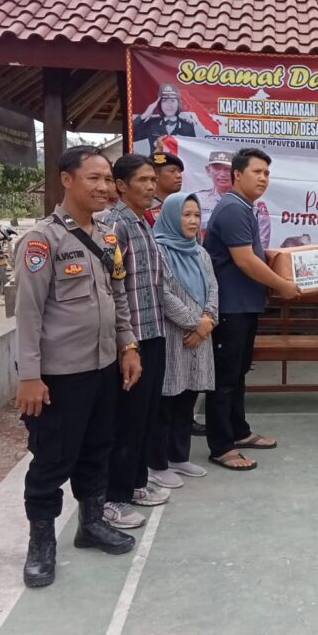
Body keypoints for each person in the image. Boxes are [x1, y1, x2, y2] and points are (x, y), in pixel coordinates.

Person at [14, 145, 141, 588]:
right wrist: (29, 376)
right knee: (51, 460)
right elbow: (28, 313)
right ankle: (41, 545)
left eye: (107, 179)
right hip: (60, 377)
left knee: (97, 450)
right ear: (67, 180)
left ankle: (91, 524)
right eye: (94, 178)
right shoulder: (41, 241)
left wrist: (128, 346)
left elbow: (118, 297)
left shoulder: (108, 237)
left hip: (104, 367)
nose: (104, 187)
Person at [202, 148, 299, 470]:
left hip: (243, 306)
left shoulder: (244, 207)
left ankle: (239, 431)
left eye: (267, 173)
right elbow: (244, 260)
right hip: (229, 307)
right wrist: (283, 284)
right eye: (257, 172)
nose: (263, 178)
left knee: (238, 373)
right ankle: (221, 446)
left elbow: (250, 255)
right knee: (224, 379)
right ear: (237, 174)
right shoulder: (233, 208)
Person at [101, 155, 171, 530]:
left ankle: (136, 483)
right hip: (132, 339)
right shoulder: (116, 225)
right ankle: (114, 497)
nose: (150, 186)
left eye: (152, 180)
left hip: (153, 330)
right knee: (127, 418)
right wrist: (124, 342)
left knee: (145, 414)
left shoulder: (142, 221)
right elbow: (113, 288)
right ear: (121, 185)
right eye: (142, 180)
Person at [151, 192, 218, 483]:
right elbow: (162, 294)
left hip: (199, 338)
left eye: (197, 215)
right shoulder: (158, 251)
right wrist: (195, 323)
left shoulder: (200, 253)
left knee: (187, 400)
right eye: (186, 215)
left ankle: (179, 457)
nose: (193, 221)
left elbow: (213, 288)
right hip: (173, 337)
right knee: (166, 400)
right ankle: (157, 465)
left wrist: (207, 322)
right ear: (170, 217)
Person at [196, 150, 272, 248]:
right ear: (208, 169)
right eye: (217, 168)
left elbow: (261, 246)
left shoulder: (257, 205)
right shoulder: (196, 200)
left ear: (236, 173)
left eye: (227, 169)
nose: (222, 174)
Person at [133, 84, 197, 156]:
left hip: (178, 163)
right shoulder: (152, 123)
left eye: (173, 100)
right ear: (159, 104)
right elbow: (131, 136)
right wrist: (144, 115)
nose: (169, 105)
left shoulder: (187, 126)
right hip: (156, 162)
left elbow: (192, 151)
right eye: (165, 101)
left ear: (178, 103)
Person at [146, 151, 184, 225]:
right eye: (172, 171)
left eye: (179, 171)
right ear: (155, 175)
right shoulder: (144, 207)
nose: (179, 176)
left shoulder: (183, 206)